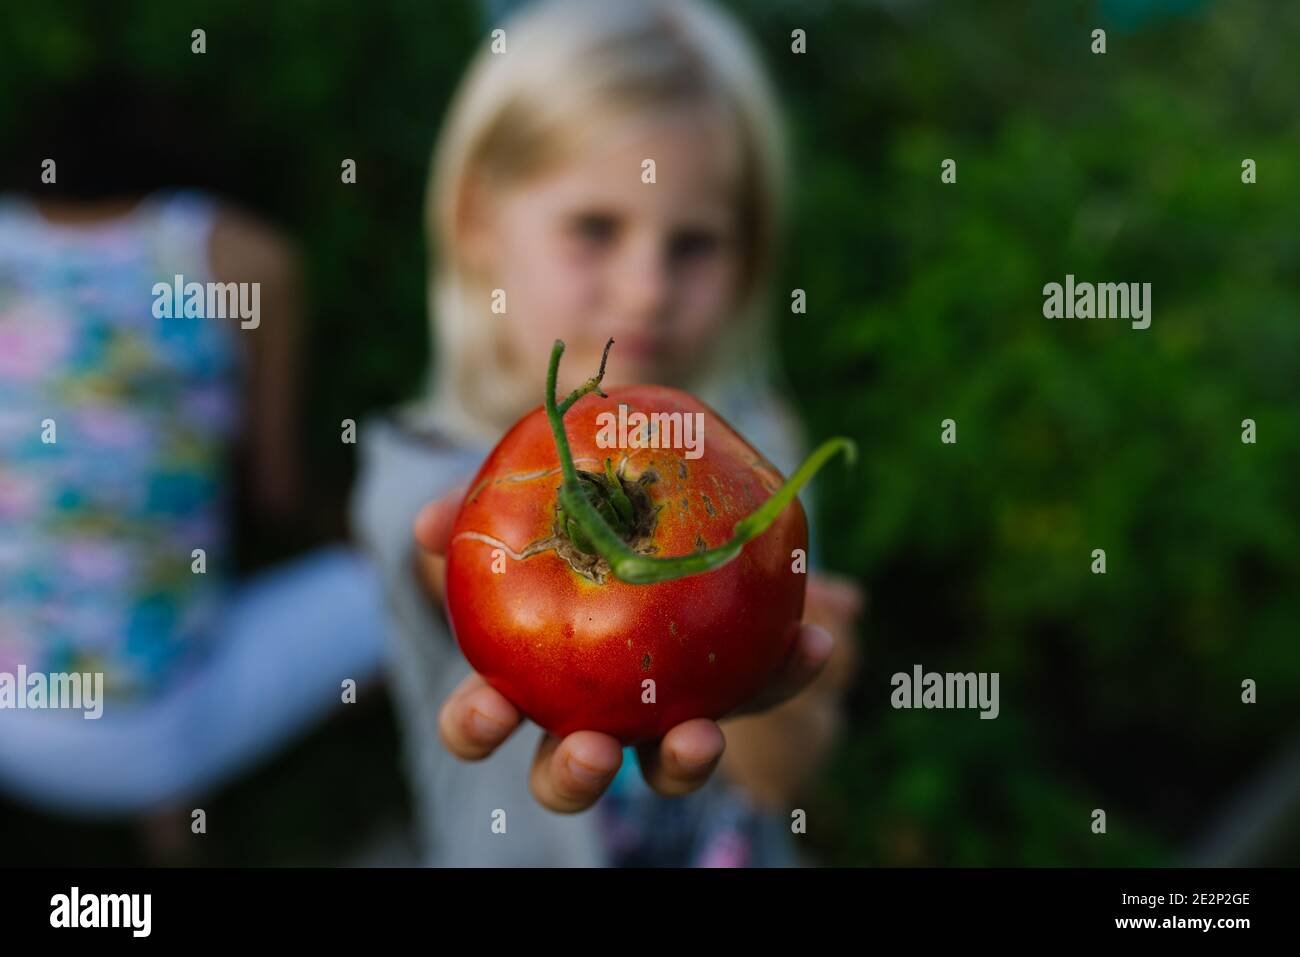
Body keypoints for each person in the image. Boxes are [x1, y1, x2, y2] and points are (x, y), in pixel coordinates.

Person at [351, 0, 863, 867]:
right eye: (595, 228)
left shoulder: (758, 451)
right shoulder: (417, 466)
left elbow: (781, 773)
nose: (644, 291)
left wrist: (794, 697)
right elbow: (446, 553)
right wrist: (501, 568)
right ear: (477, 223)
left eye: (694, 244)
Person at [0, 189, 389, 840]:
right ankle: (171, 785)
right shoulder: (242, 257)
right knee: (413, 581)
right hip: (151, 735)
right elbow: (277, 495)